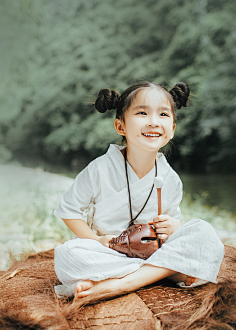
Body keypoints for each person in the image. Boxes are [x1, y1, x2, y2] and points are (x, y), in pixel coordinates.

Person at [54, 81, 224, 303]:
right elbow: (69, 210)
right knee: (69, 254)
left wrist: (174, 228)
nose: (153, 122)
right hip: (108, 253)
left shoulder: (171, 179)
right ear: (120, 126)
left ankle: (119, 284)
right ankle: (163, 273)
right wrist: (96, 240)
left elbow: (171, 232)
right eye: (142, 113)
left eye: (163, 114)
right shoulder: (100, 168)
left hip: (152, 252)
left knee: (203, 233)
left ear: (172, 129)